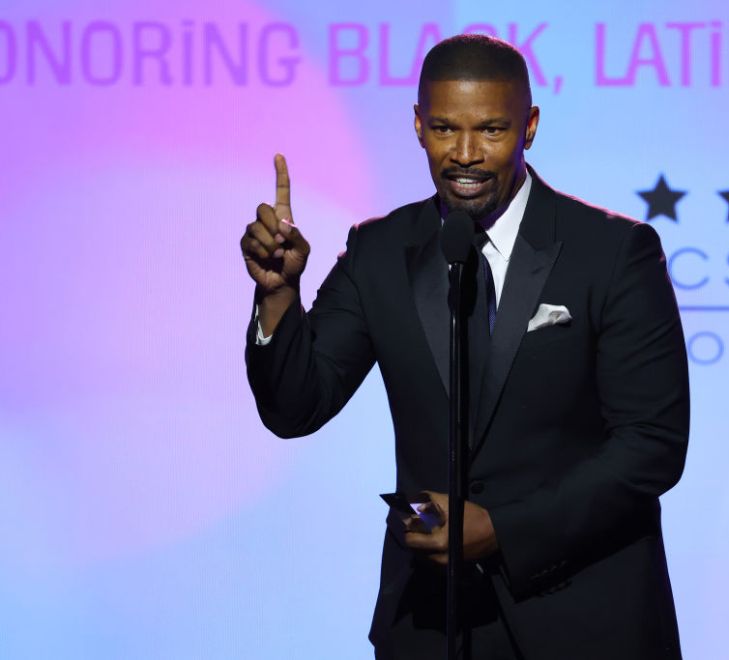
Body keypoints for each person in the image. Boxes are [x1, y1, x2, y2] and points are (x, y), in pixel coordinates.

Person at [241, 34, 690, 660]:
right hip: (430, 627)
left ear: (529, 127)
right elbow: (295, 408)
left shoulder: (612, 254)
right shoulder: (381, 251)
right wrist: (279, 296)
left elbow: (652, 447)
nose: (466, 154)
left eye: (492, 130)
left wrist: (503, 530)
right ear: (419, 126)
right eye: (446, 129)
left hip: (587, 623)